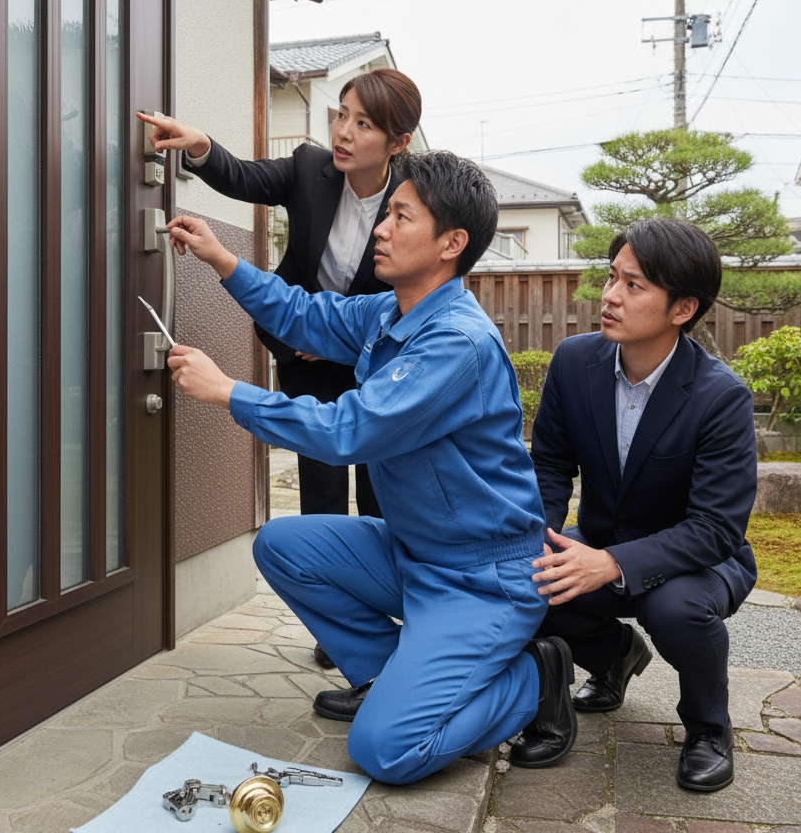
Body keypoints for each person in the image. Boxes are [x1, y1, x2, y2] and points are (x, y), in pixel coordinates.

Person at [162, 150, 576, 785]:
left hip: (481, 576)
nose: (380, 228)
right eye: (387, 214)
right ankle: (389, 675)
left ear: (451, 243)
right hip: (413, 552)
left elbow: (347, 430)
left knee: (385, 752)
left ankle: (534, 680)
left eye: (401, 217)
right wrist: (223, 260)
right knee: (282, 545)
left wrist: (228, 392)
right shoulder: (390, 312)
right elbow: (305, 314)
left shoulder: (455, 343)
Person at [139, 68, 420, 670]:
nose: (343, 132)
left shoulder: (412, 199)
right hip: (306, 356)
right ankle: (339, 625)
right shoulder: (309, 169)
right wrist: (199, 145)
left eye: (363, 124)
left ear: (397, 143)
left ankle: (392, 616)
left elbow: (413, 293)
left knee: (379, 490)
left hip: (375, 359)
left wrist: (342, 340)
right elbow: (241, 175)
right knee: (320, 490)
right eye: (341, 114)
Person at [511, 217, 757, 791]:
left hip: (699, 561)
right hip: (602, 541)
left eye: (634, 285)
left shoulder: (721, 397)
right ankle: (616, 655)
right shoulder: (575, 362)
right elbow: (550, 465)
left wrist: (615, 563)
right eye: (612, 278)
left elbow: (717, 528)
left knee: (672, 609)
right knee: (526, 580)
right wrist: (540, 541)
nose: (611, 296)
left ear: (682, 308)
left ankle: (707, 728)